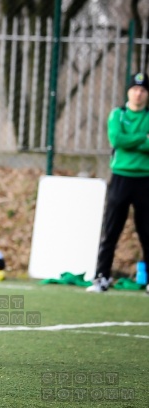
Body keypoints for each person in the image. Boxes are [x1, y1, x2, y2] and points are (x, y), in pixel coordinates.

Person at [87, 72, 149, 293]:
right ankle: (102, 277)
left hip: (145, 179)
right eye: (135, 89)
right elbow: (117, 140)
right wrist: (143, 138)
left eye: (143, 90)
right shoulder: (118, 115)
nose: (138, 93)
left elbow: (128, 142)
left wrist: (131, 142)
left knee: (146, 231)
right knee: (111, 230)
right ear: (128, 91)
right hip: (121, 177)